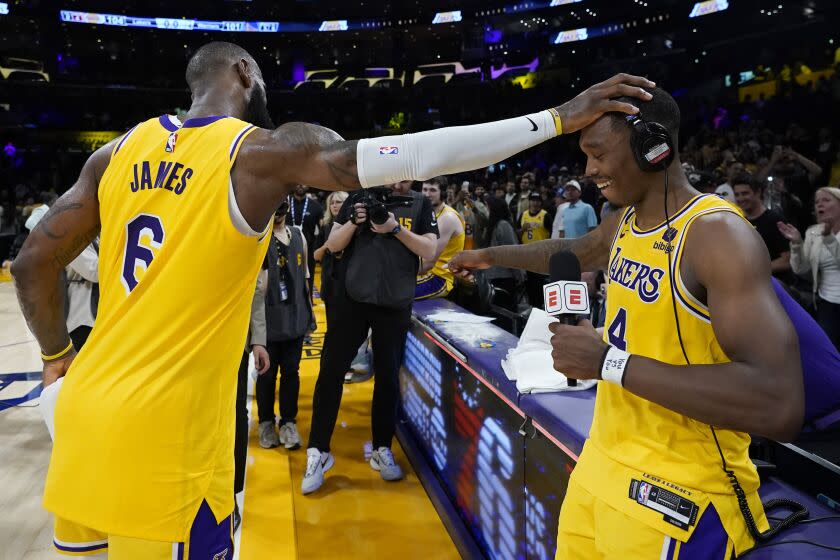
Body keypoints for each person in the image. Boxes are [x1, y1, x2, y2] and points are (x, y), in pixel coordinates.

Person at [12, 47, 653, 555]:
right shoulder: (256, 152)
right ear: (242, 73)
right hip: (167, 433)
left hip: (85, 411)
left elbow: (32, 262)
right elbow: (424, 150)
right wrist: (556, 118)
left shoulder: (114, 152)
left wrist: (57, 354)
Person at [448, 87, 803, 558]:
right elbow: (572, 251)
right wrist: (488, 255)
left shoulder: (717, 235)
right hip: (601, 463)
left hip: (679, 488)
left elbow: (778, 403)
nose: (589, 170)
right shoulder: (625, 223)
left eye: (597, 153)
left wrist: (610, 363)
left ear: (652, 146)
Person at [303, 180, 438, 494]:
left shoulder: (419, 203)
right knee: (331, 372)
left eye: (404, 176)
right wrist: (354, 221)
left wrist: (394, 228)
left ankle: (381, 447)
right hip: (352, 298)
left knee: (388, 377)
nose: (397, 182)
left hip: (394, 302)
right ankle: (318, 451)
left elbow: (430, 250)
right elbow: (332, 246)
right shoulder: (358, 198)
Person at [256, 200, 312, 450]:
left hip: (296, 317)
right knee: (266, 376)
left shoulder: (299, 235)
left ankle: (288, 422)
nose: (277, 216)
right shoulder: (258, 240)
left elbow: (307, 278)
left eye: (281, 211)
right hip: (269, 319)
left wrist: (309, 317)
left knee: (292, 372)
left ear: (287, 210)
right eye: (273, 211)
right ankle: (266, 422)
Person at [778, 187, 840, 349]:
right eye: (817, 202)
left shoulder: (824, 234)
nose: (820, 205)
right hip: (826, 301)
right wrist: (797, 244)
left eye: (826, 200)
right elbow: (801, 270)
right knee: (829, 349)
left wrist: (829, 239)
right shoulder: (813, 232)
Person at [732, 172, 792, 283]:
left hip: (775, 285)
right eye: (737, 194)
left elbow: (787, 260)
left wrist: (755, 271)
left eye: (745, 193)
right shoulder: (736, 221)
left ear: (758, 192)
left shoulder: (775, 220)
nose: (740, 198)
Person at [416, 176, 465, 300]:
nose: (427, 194)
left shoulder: (448, 218)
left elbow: (428, 262)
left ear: (442, 192)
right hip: (423, 273)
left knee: (394, 292)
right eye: (425, 189)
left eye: (432, 190)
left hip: (438, 278)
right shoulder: (428, 213)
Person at [313, 190, 348, 310]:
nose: (334, 205)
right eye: (332, 202)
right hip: (329, 281)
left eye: (338, 202)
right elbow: (316, 256)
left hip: (348, 282)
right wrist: (327, 246)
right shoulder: (325, 226)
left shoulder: (354, 226)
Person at [65, 239, 99, 351]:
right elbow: (94, 271)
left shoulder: (93, 235)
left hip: (95, 317)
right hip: (83, 320)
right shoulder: (73, 238)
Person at [520, 192, 551, 306]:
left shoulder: (545, 215)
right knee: (529, 284)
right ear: (529, 201)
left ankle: (540, 306)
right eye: (533, 200)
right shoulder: (523, 215)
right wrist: (522, 229)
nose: (535, 202)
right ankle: (532, 306)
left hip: (541, 255)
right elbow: (517, 234)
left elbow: (552, 234)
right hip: (526, 255)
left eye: (537, 200)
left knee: (539, 284)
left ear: (540, 202)